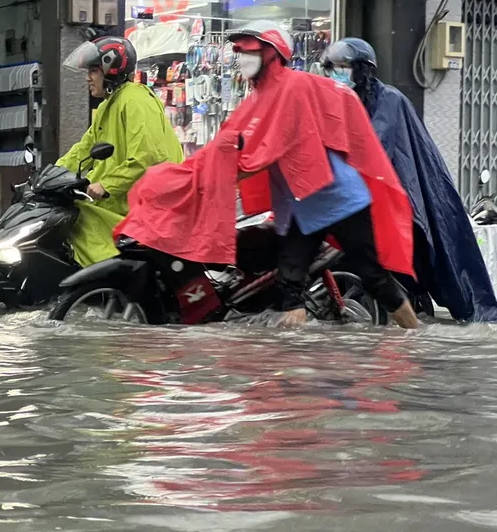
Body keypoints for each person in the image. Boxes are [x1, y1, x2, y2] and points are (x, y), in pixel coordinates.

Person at [115, 20, 420, 329]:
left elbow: (272, 141)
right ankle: (293, 354)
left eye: (250, 51)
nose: (242, 58)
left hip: (337, 199)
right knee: (290, 287)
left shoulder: (294, 86)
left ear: (272, 54)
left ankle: (414, 336)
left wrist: (234, 165)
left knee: (373, 276)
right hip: (300, 204)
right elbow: (230, 140)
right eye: (239, 52)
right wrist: (186, 174)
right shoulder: (259, 97)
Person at [324, 37, 497, 321]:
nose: (338, 73)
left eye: (345, 66)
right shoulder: (338, 100)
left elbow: (374, 145)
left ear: (363, 69)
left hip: (398, 189)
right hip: (358, 193)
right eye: (333, 67)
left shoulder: (388, 99)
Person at [57, 35, 184, 267]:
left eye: (93, 71)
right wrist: (52, 176)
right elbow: (84, 149)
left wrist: (106, 185)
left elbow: (147, 156)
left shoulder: (135, 100)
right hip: (120, 202)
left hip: (145, 207)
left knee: (80, 224)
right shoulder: (109, 105)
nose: (87, 78)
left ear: (111, 69)